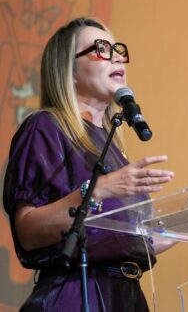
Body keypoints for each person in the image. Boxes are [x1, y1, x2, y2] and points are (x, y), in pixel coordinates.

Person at [2, 17, 174, 311]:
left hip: (126, 296)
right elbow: (27, 232)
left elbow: (130, 240)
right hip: (77, 293)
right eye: (101, 49)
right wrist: (97, 190)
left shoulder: (112, 146)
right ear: (69, 71)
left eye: (117, 50)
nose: (117, 57)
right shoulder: (46, 127)